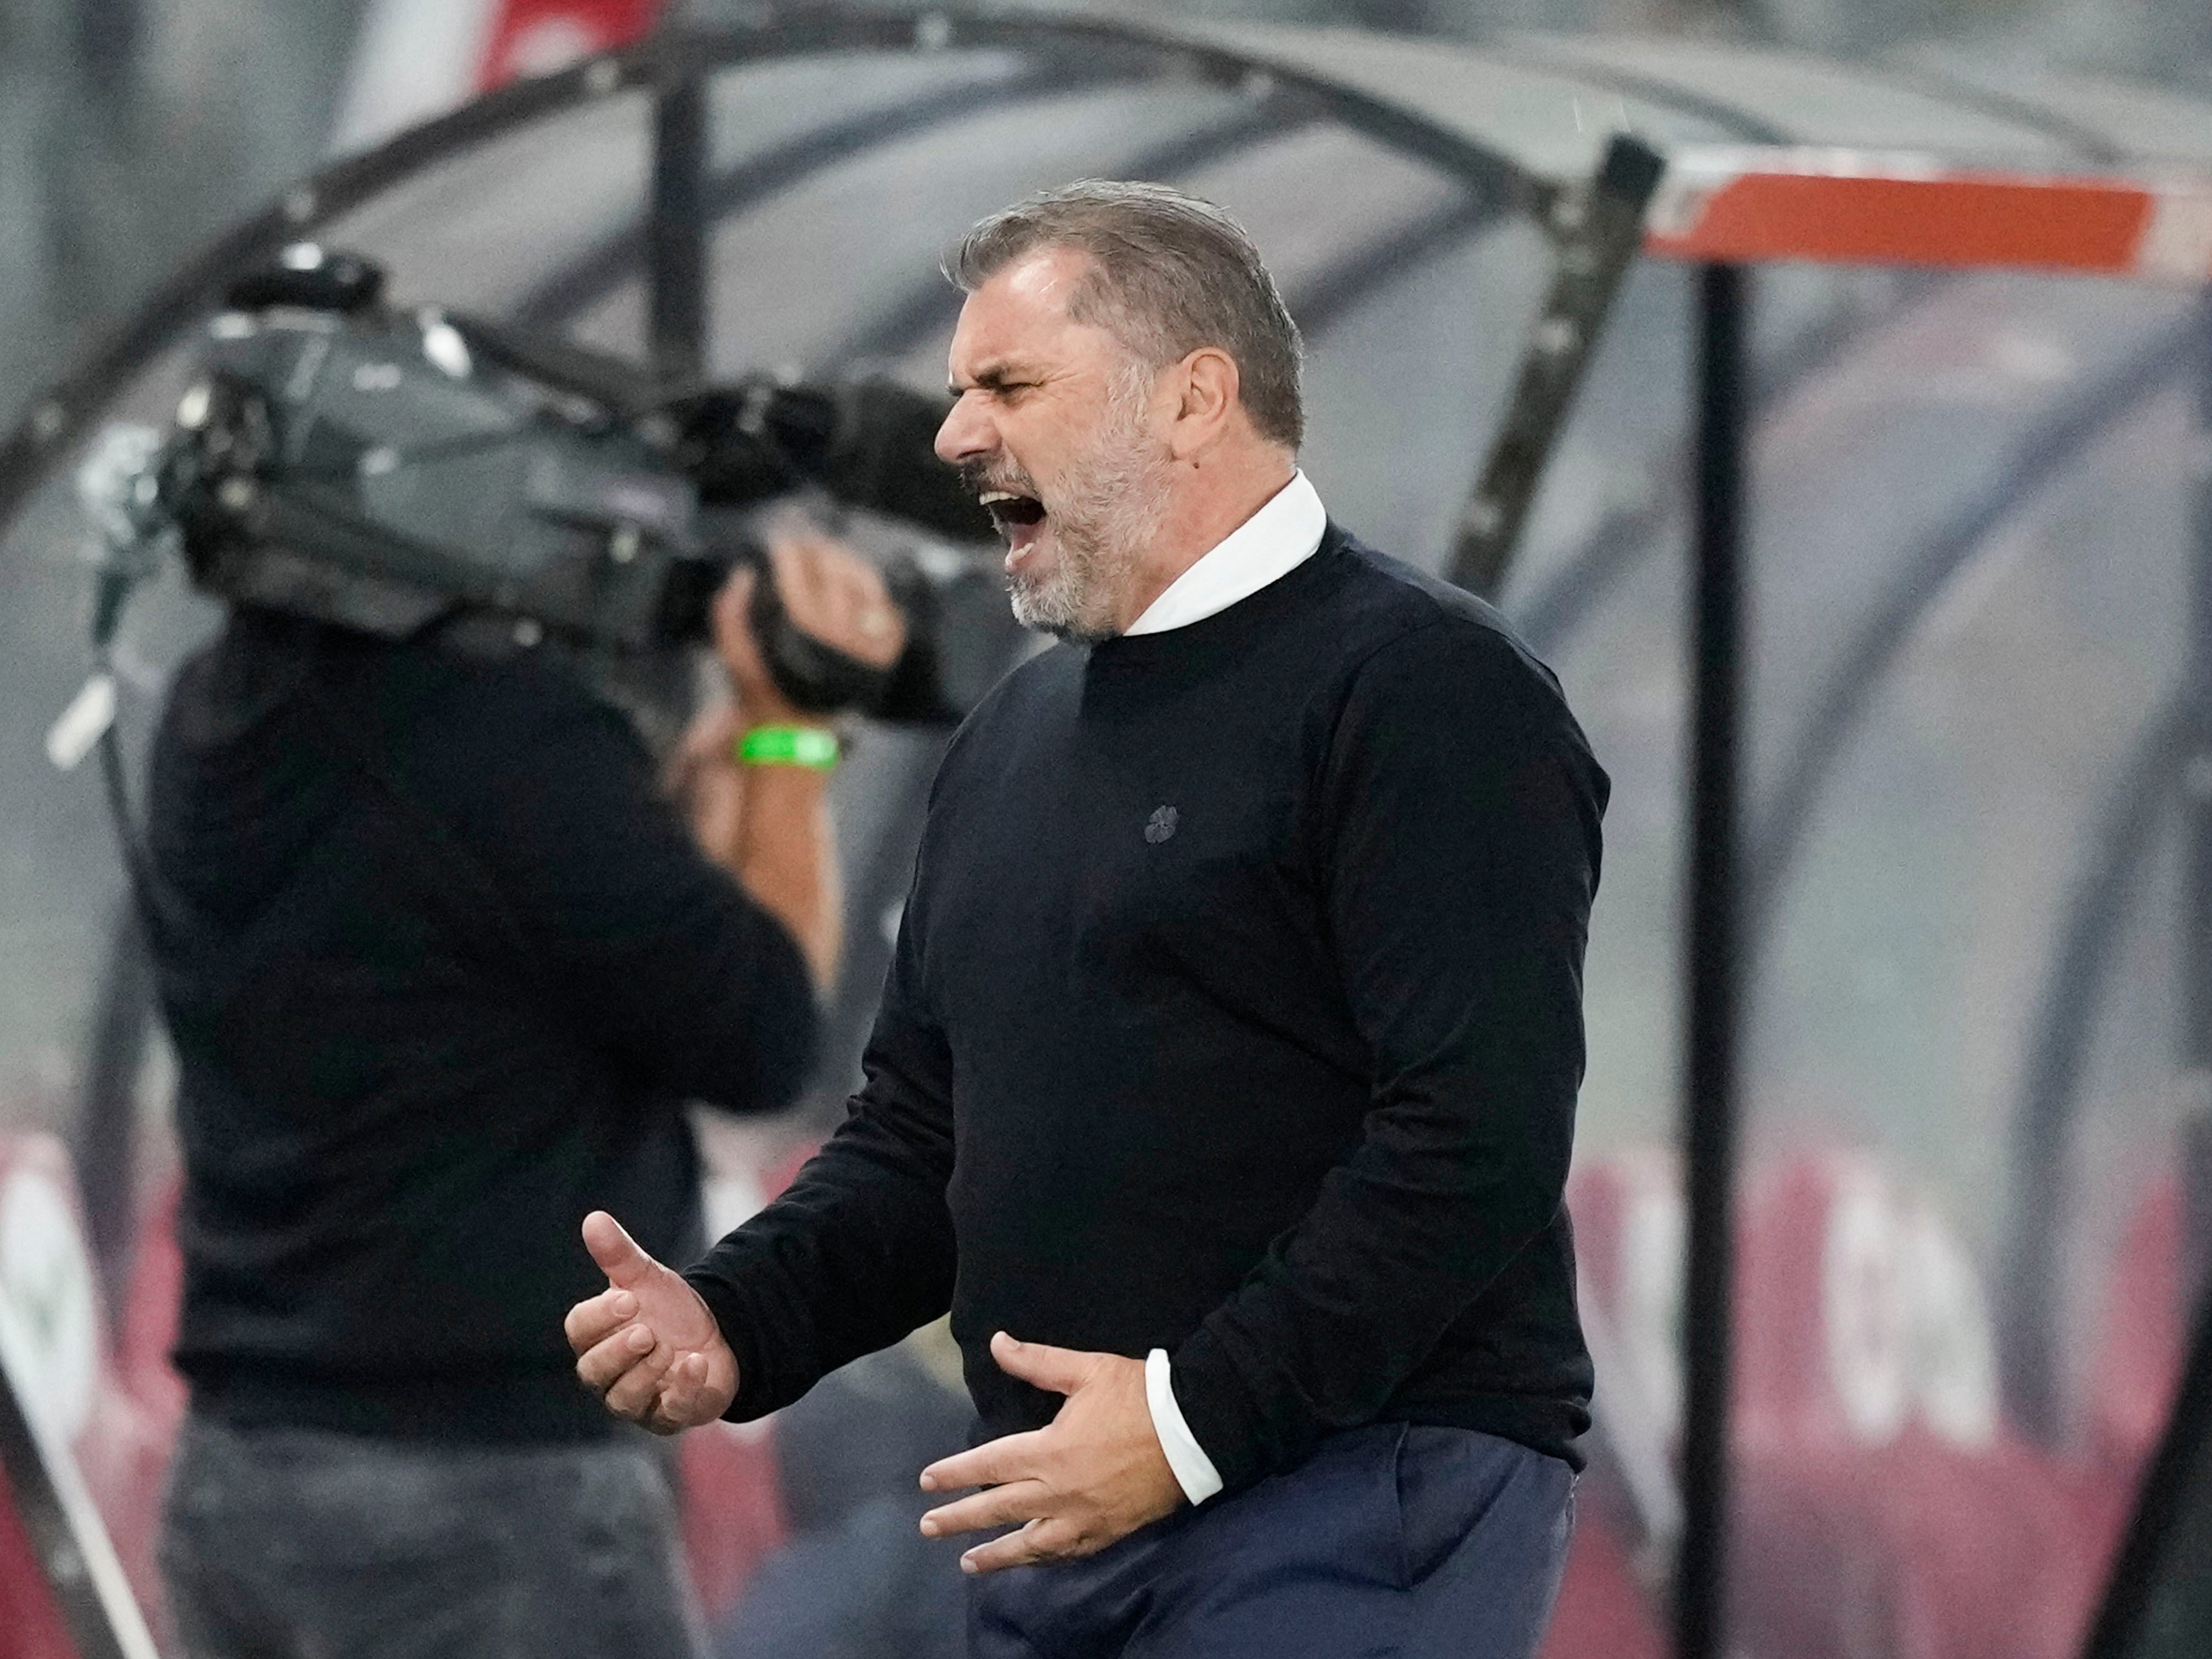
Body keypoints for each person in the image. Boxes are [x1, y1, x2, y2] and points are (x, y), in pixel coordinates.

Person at [568, 179, 1608, 1659]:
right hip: (1058, 1510)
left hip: (1348, 1494)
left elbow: (1474, 1134)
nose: (950, 439)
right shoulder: (1013, 731)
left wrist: (1187, 1425)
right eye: (953, 392)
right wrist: (738, 1319)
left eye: (1009, 384)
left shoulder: (1426, 689)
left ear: (1193, 401)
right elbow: (923, 1138)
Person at [145, 526, 902, 1659]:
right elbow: (763, 1037)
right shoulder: (511, 735)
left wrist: (714, 758)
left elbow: (594, 956)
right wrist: (791, 732)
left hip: (240, 1476)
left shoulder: (215, 709)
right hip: (486, 1502)